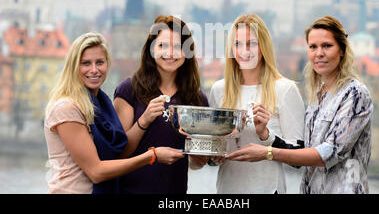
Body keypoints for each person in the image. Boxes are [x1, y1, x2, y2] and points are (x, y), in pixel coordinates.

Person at [226, 15, 374, 194]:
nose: (319, 53)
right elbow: (303, 152)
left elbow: (330, 152)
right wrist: (266, 135)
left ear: (342, 50)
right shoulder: (317, 95)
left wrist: (268, 152)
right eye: (313, 47)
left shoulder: (355, 93)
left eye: (327, 46)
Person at [44, 32, 184, 194]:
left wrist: (144, 119)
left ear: (108, 64)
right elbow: (96, 171)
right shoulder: (67, 108)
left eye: (100, 62)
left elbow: (120, 153)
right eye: (86, 63)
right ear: (73, 66)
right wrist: (152, 156)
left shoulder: (101, 105)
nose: (94, 70)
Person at [205, 14, 305, 194]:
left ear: (264, 46)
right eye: (237, 44)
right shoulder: (219, 90)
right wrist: (215, 156)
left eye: (251, 43)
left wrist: (266, 135)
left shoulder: (286, 89)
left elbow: (298, 160)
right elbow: (213, 157)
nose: (244, 51)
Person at [113, 15, 209, 194]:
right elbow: (119, 153)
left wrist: (205, 154)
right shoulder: (129, 90)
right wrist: (144, 120)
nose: (170, 53)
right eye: (162, 46)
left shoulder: (197, 99)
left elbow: (198, 162)